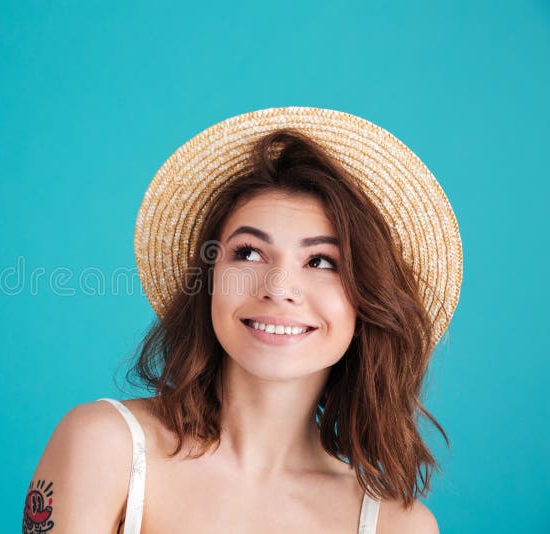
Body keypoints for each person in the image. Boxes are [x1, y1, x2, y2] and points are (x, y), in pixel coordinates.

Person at [23, 107, 463, 533]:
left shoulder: (398, 526)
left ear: (368, 299)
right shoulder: (105, 446)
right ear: (210, 278)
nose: (278, 287)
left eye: (322, 261)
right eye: (249, 252)